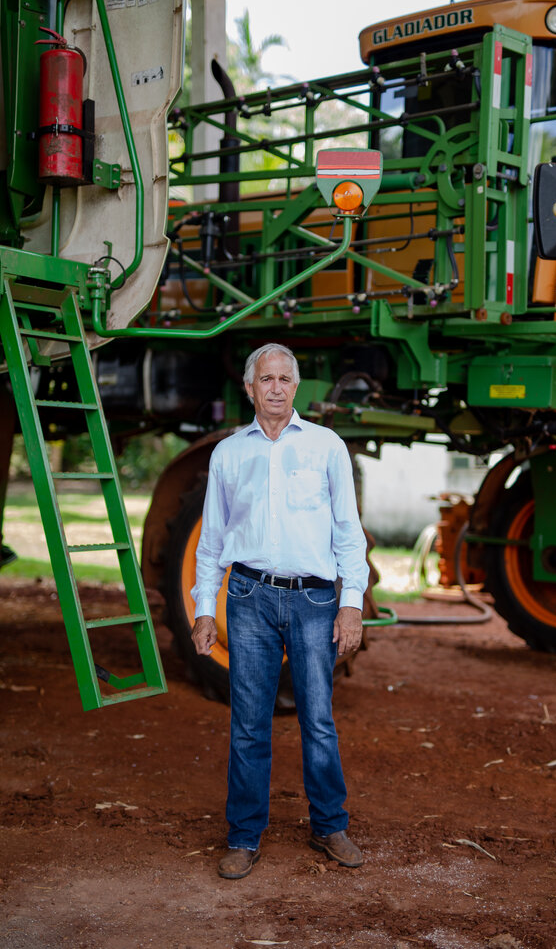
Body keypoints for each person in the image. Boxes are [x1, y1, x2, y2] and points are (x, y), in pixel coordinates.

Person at [191, 342, 369, 880]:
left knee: (317, 719)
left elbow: (348, 534)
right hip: (247, 598)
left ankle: (329, 826)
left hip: (316, 600)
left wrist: (353, 605)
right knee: (249, 724)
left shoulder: (326, 446)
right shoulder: (229, 454)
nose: (274, 388)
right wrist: (204, 608)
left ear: (296, 387)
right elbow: (212, 540)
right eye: (264, 379)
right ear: (249, 389)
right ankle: (244, 838)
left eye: (284, 379)